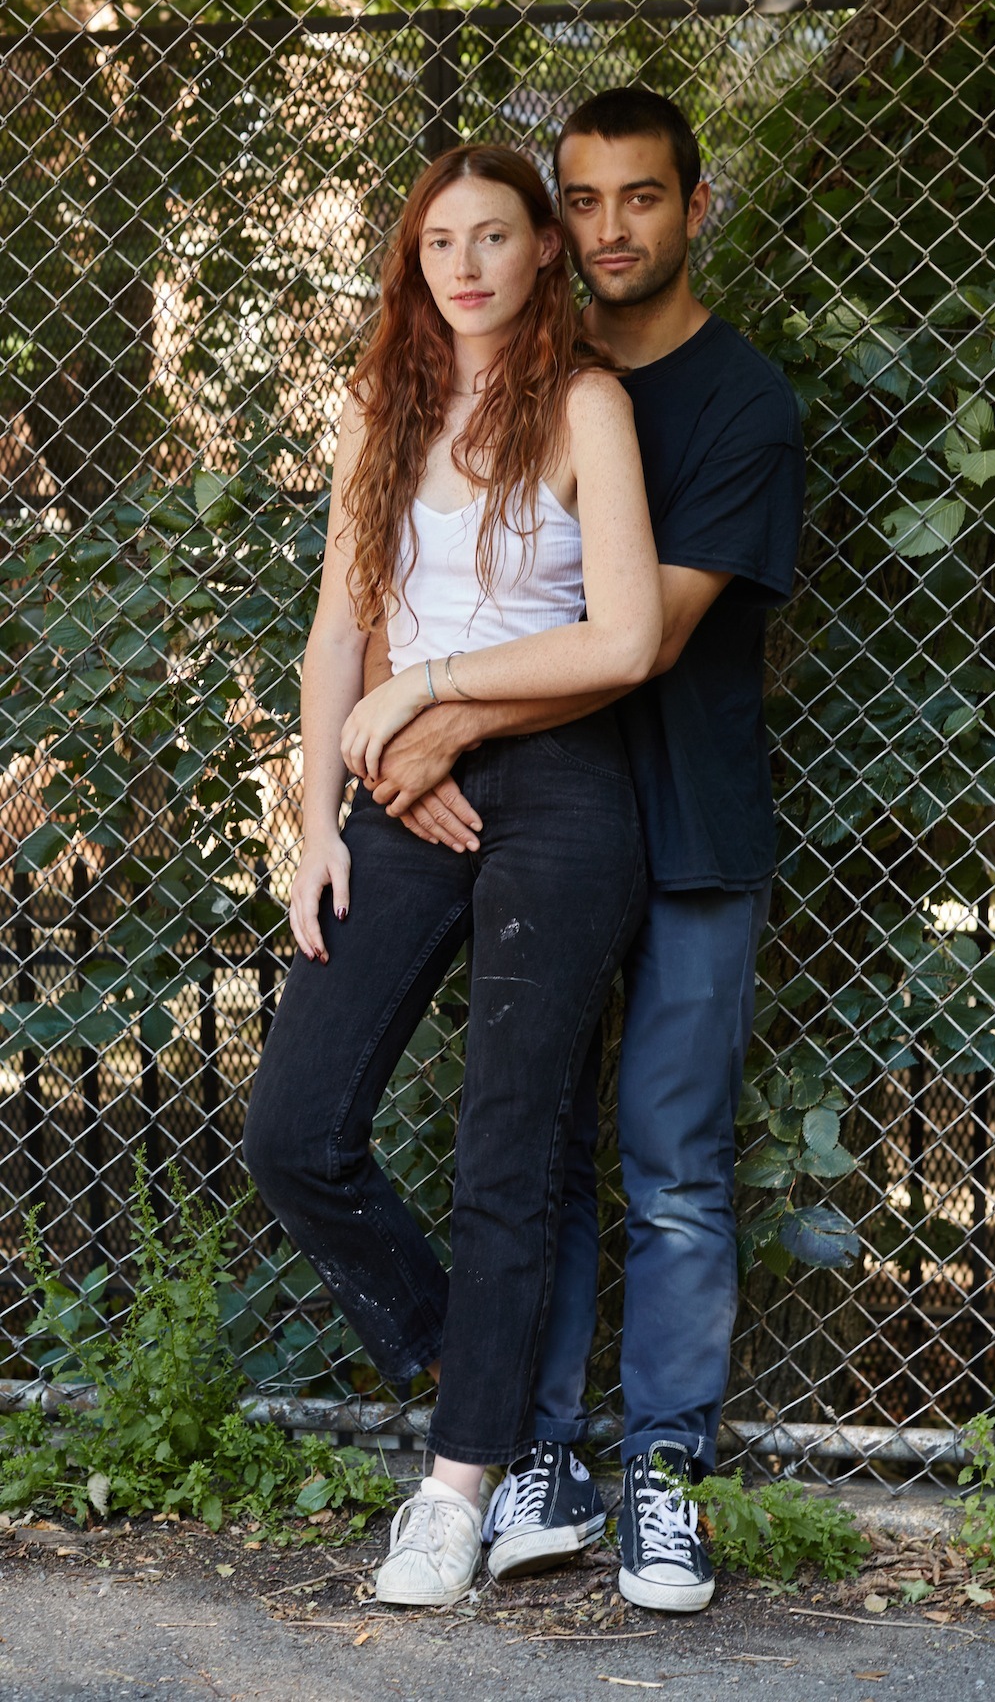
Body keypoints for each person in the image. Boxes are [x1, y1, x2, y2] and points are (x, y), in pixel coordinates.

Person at [362, 90, 804, 1613]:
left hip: (681, 821)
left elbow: (639, 640)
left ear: (695, 207)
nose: (613, 227)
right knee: (532, 1146)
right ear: (558, 228)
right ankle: (534, 1450)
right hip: (532, 814)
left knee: (672, 1163)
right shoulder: (512, 375)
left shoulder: (737, 403)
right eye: (588, 199)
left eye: (643, 197)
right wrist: (413, 734)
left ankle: (664, 1473)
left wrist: (431, 719)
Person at [242, 142, 662, 1609]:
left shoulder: (588, 405)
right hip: (396, 791)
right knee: (296, 1132)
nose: (466, 266)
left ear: (545, 250)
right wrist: (316, 824)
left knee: (509, 1148)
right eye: (438, 243)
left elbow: (623, 639)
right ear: (412, 262)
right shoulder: (383, 405)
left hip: (556, 781)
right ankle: (479, 1377)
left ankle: (456, 1488)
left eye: (494, 237)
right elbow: (336, 632)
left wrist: (436, 694)